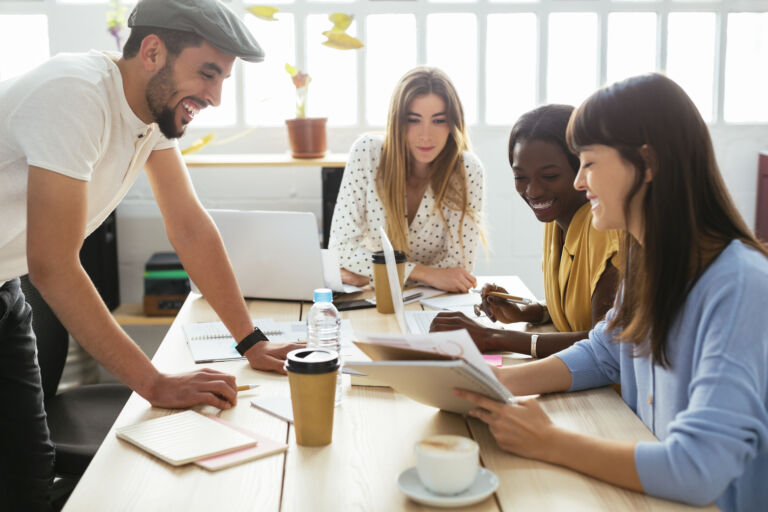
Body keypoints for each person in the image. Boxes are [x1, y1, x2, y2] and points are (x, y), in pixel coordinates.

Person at [0, 0, 301, 509]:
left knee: (27, 487)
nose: (215, 96)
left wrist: (250, 341)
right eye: (208, 73)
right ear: (154, 52)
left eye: (223, 79)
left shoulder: (150, 115)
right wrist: (154, 384)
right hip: (19, 282)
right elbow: (53, 264)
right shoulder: (76, 94)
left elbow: (189, 226)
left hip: (5, 290)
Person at [455, 73, 768, 512]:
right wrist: (493, 382)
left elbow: (699, 468)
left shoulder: (740, 286)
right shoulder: (648, 260)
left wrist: (549, 441)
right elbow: (604, 352)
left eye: (588, 162)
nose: (580, 182)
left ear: (648, 162)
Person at [430, 105, 620, 358]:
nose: (533, 191)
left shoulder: (604, 229)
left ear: (581, 170)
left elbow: (605, 345)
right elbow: (573, 312)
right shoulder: (557, 220)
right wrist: (526, 311)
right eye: (520, 177)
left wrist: (493, 337)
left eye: (550, 176)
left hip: (609, 395)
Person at [329, 67, 484, 293]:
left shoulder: (467, 170)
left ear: (452, 124)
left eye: (438, 120)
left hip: (435, 300)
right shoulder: (367, 153)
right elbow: (340, 249)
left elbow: (458, 269)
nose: (425, 135)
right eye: (413, 120)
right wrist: (426, 273)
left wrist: (371, 271)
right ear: (398, 122)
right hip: (376, 298)